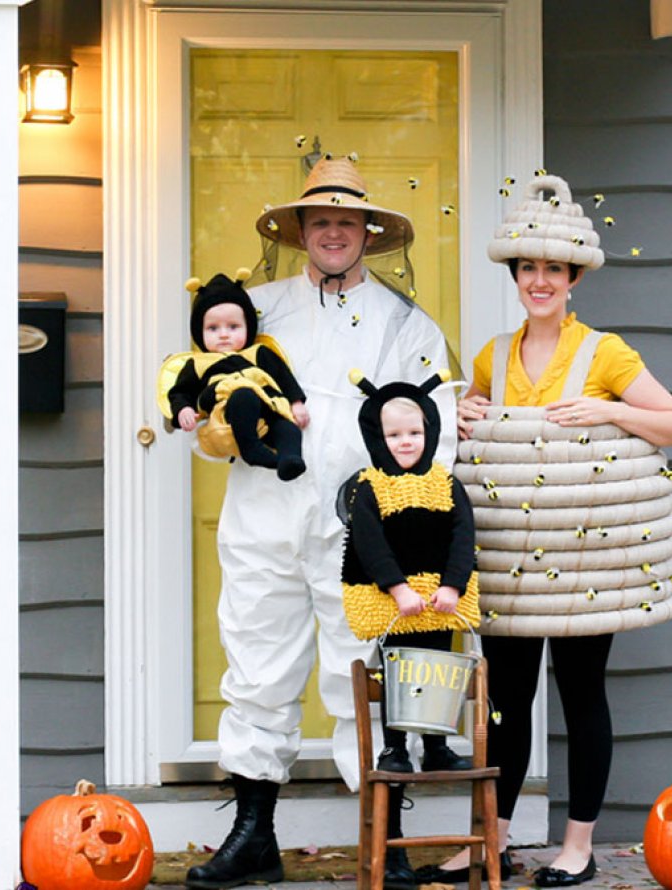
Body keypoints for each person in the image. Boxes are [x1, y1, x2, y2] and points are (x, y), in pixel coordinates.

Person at [415, 173, 672, 889]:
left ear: (573, 277)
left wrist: (613, 413)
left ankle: (577, 844)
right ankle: (494, 841)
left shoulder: (604, 354)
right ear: (517, 275)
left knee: (581, 692)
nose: (540, 281)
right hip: (509, 559)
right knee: (506, 698)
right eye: (528, 268)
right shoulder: (492, 354)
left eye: (553, 270)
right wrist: (462, 411)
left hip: (581, 564)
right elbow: (460, 433)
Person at [185, 158, 457, 890]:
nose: (333, 232)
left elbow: (438, 427)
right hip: (263, 517)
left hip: (359, 533)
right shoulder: (256, 311)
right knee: (257, 669)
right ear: (301, 230)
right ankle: (253, 837)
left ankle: (385, 843)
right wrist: (208, 423)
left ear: (368, 232)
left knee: (362, 675)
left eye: (346, 220)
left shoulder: (407, 325)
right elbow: (208, 389)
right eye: (320, 220)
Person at [341, 369, 480, 888]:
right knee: (401, 672)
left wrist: (452, 585)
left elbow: (462, 537)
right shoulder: (370, 487)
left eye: (415, 433)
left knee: (440, 669)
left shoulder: (445, 484)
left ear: (430, 434)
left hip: (439, 601)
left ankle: (438, 742)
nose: (406, 442)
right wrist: (397, 588)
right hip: (398, 606)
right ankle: (398, 744)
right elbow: (369, 542)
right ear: (379, 437)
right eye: (395, 434)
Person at [162, 270, 308, 480]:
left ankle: (288, 460)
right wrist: (183, 409)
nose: (223, 334)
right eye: (213, 328)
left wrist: (296, 402)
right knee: (243, 395)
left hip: (266, 404)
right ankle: (251, 448)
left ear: (248, 327)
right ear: (199, 332)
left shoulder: (258, 353)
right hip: (225, 406)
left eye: (233, 326)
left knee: (287, 428)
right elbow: (180, 392)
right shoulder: (198, 363)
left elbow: (283, 376)